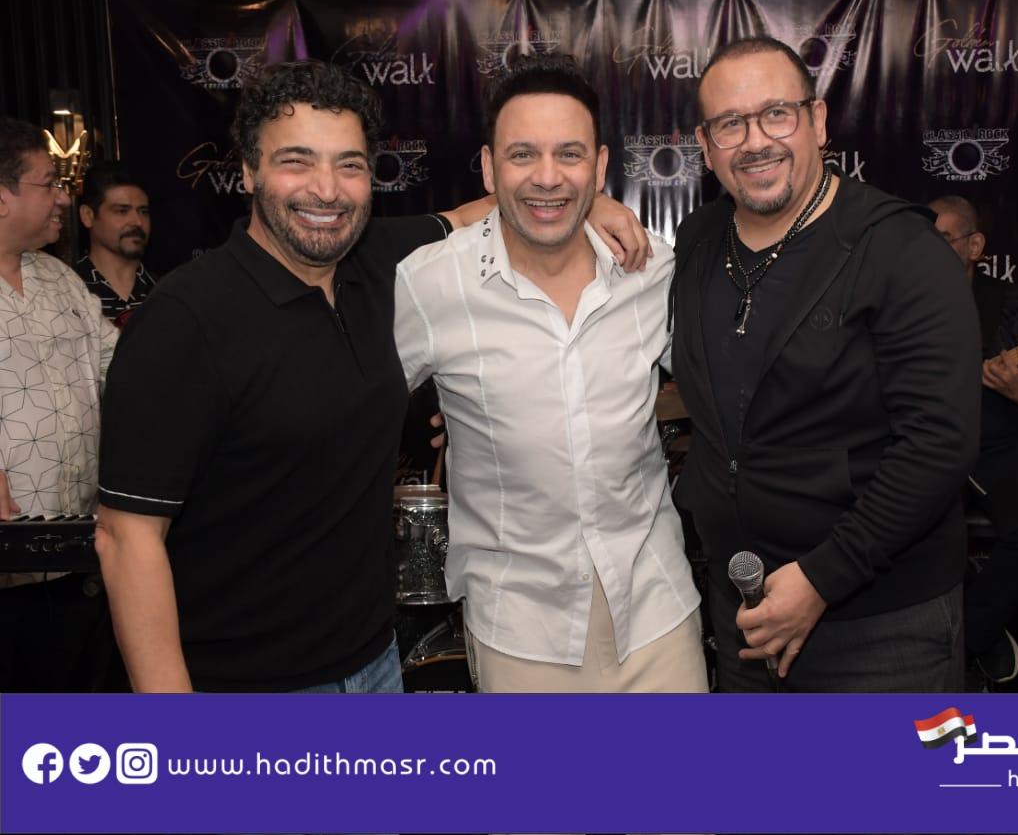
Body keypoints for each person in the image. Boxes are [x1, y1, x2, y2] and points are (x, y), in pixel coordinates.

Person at [93, 60, 649, 693]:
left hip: (375, 663)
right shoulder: (184, 319)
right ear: (248, 171)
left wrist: (592, 202)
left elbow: (482, 212)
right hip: (243, 684)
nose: (326, 190)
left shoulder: (377, 262)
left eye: (349, 165)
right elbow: (125, 538)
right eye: (296, 161)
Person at [668, 37, 981, 692]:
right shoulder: (697, 243)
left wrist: (822, 577)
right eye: (730, 124)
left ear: (817, 120)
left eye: (776, 114)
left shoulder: (901, 249)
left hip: (880, 625)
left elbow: (939, 442)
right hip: (745, 614)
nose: (756, 141)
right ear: (705, 145)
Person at [394, 54, 706, 693]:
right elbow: (348, 409)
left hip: (658, 613)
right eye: (522, 154)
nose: (546, 176)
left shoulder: (651, 271)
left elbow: (728, 390)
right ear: (489, 168)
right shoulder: (430, 283)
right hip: (518, 629)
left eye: (569, 154)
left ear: (600, 166)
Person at [930, 194, 1018, 687]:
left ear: (975, 246)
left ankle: (966, 642)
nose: (930, 250)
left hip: (998, 447)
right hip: (922, 448)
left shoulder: (1017, 307)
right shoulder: (893, 303)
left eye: (944, 239)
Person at [0, 117, 118, 691]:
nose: (64, 199)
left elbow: (119, 365)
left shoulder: (60, 279)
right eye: (49, 184)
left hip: (77, 559)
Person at [74, 162, 155, 327]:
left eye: (143, 212)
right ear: (87, 216)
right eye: (122, 211)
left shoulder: (167, 290)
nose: (137, 222)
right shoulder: (67, 290)